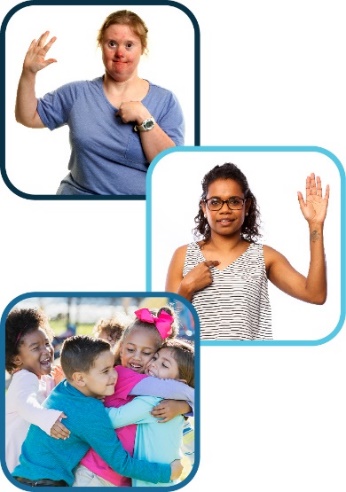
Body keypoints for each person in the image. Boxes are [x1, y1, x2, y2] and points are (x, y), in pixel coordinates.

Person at [15, 10, 184, 196]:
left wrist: (144, 118)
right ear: (101, 45)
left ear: (142, 48)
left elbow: (171, 167)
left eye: (129, 45)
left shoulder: (165, 101)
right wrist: (28, 74)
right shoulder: (77, 94)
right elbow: (28, 116)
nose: (120, 53)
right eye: (112, 44)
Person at [166, 163, 329, 340]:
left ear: (247, 205)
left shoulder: (265, 256)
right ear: (204, 207)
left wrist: (315, 225)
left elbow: (315, 294)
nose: (225, 209)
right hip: (196, 364)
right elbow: (167, 327)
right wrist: (186, 288)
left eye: (234, 201)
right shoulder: (183, 255)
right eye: (215, 202)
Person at [12, 335, 183, 487]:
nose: (114, 376)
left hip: (23, 475)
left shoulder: (64, 388)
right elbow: (120, 463)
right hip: (45, 483)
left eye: (112, 368)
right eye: (105, 371)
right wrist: (167, 472)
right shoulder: (90, 412)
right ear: (79, 378)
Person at [75, 306, 193, 487]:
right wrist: (186, 404)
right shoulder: (121, 375)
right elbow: (171, 388)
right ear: (121, 349)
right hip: (97, 470)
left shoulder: (151, 385)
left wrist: (183, 408)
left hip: (122, 474)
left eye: (147, 354)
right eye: (130, 350)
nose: (137, 358)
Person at [105, 338, 195, 487]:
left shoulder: (153, 402)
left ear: (179, 383)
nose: (153, 364)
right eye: (155, 357)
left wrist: (88, 405)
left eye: (164, 365)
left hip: (152, 482)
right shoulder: (176, 407)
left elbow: (114, 419)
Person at [5, 308, 70, 474]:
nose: (46, 350)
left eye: (47, 343)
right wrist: (48, 419)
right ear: (16, 358)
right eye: (36, 347)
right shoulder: (24, 378)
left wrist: (58, 383)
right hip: (14, 466)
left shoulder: (41, 379)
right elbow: (25, 404)